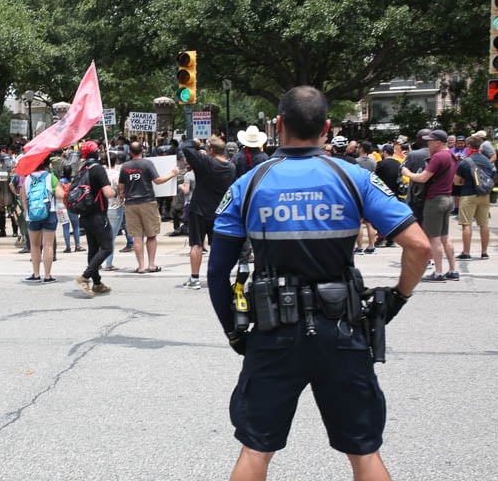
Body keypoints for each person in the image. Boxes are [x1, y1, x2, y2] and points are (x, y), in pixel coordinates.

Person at [207, 86, 430, 481]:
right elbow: (418, 245)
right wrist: (398, 298)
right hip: (342, 328)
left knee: (256, 448)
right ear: (326, 127)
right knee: (364, 451)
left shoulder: (249, 183)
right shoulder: (354, 177)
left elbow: (217, 271)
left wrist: (233, 331)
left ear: (278, 126)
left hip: (273, 332)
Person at [401, 129, 458, 282]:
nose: (428, 143)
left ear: (438, 142)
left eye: (430, 141)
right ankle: (453, 270)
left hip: (435, 200)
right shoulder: (451, 156)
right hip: (447, 197)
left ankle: (438, 272)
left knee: (434, 238)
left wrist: (407, 173)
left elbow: (423, 178)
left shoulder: (438, 157)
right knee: (445, 236)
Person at [180, 136, 235, 290]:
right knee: (217, 246)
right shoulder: (231, 168)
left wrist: (196, 143)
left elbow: (186, 148)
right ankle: (218, 278)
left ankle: (195, 278)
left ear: (210, 150)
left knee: (196, 244)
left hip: (199, 210)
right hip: (220, 211)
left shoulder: (206, 163)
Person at [118, 140, 178, 273]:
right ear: (142, 150)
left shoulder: (125, 166)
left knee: (137, 236)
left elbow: (121, 187)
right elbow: (158, 181)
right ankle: (151, 265)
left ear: (130, 152)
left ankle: (140, 266)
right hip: (147, 202)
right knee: (151, 235)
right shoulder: (147, 164)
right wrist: (172, 174)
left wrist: (123, 193)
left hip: (131, 203)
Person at [73, 141, 116, 297]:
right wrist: (115, 189)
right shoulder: (97, 169)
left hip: (84, 215)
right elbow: (108, 193)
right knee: (106, 248)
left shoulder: (81, 169)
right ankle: (85, 277)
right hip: (98, 215)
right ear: (96, 153)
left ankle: (97, 283)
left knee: (93, 249)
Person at [20, 157, 61, 283]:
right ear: (47, 165)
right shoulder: (51, 177)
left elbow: (23, 199)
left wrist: (29, 213)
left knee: (34, 245)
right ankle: (48, 276)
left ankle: (36, 274)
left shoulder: (28, 179)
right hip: (49, 212)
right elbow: (60, 195)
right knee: (48, 244)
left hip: (33, 215)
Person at [453, 135, 494, 260]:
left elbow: (456, 181)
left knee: (467, 224)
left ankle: (466, 252)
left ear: (469, 146)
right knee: (484, 224)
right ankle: (484, 252)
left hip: (468, 194)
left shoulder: (466, 161)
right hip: (484, 194)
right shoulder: (487, 160)